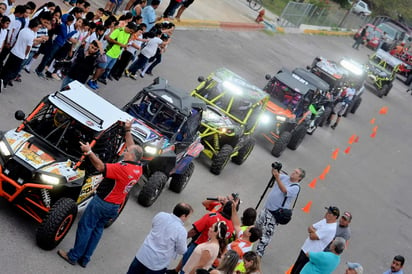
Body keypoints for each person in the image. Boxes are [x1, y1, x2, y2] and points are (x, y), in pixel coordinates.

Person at [57, 121, 143, 268]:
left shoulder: (123, 168)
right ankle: (85, 259)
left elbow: (100, 166)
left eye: (127, 152)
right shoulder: (138, 168)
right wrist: (127, 130)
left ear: (131, 157)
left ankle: (73, 256)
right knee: (97, 230)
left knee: (86, 226)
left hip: (102, 202)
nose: (124, 152)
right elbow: (132, 147)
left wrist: (89, 151)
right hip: (114, 206)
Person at [126, 202, 194, 274]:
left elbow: (154, 225)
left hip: (142, 255)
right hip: (157, 264)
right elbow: (181, 250)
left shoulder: (161, 215)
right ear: (183, 216)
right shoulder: (181, 231)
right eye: (188, 216)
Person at [255, 167, 306, 257]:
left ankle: (258, 254)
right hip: (267, 208)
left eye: (296, 173)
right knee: (257, 226)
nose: (293, 172)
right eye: (294, 170)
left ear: (299, 178)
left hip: (274, 213)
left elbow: (284, 191)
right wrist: (275, 170)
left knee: (266, 234)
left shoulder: (296, 187)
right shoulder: (284, 177)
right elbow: (274, 175)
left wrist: (278, 177)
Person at [290, 206, 339, 274]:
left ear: (335, 217)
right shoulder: (325, 220)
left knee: (298, 271)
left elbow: (312, 236)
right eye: (327, 211)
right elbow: (310, 227)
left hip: (311, 253)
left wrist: (313, 232)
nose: (327, 213)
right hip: (305, 248)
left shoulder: (331, 228)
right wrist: (315, 231)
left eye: (329, 213)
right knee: (294, 269)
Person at [0, 18, 41, 92]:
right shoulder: (31, 35)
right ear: (34, 26)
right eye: (38, 27)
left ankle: (1, 78)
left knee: (7, 67)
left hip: (14, 51)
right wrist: (26, 55)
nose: (38, 29)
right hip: (20, 55)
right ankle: (4, 82)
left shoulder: (24, 30)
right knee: (13, 71)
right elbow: (29, 47)